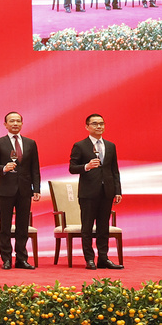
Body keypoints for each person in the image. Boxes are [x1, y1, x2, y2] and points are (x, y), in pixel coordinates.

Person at [69, 114, 123, 270]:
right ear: (87, 127)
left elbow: (114, 170)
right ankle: (89, 259)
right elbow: (72, 168)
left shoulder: (110, 146)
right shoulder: (80, 146)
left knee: (103, 227)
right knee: (87, 228)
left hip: (107, 192)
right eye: (94, 124)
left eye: (101, 123)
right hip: (88, 193)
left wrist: (117, 190)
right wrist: (86, 166)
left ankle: (103, 258)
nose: (99, 126)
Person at [0, 111, 40, 270]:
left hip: (25, 190)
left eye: (18, 121)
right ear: (5, 124)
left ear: (22, 124)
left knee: (23, 226)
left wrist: (36, 188)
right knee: (5, 226)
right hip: (6, 189)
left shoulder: (30, 143)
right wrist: (3, 168)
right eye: (12, 121)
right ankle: (6, 259)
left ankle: (22, 259)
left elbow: (35, 168)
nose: (15, 123)